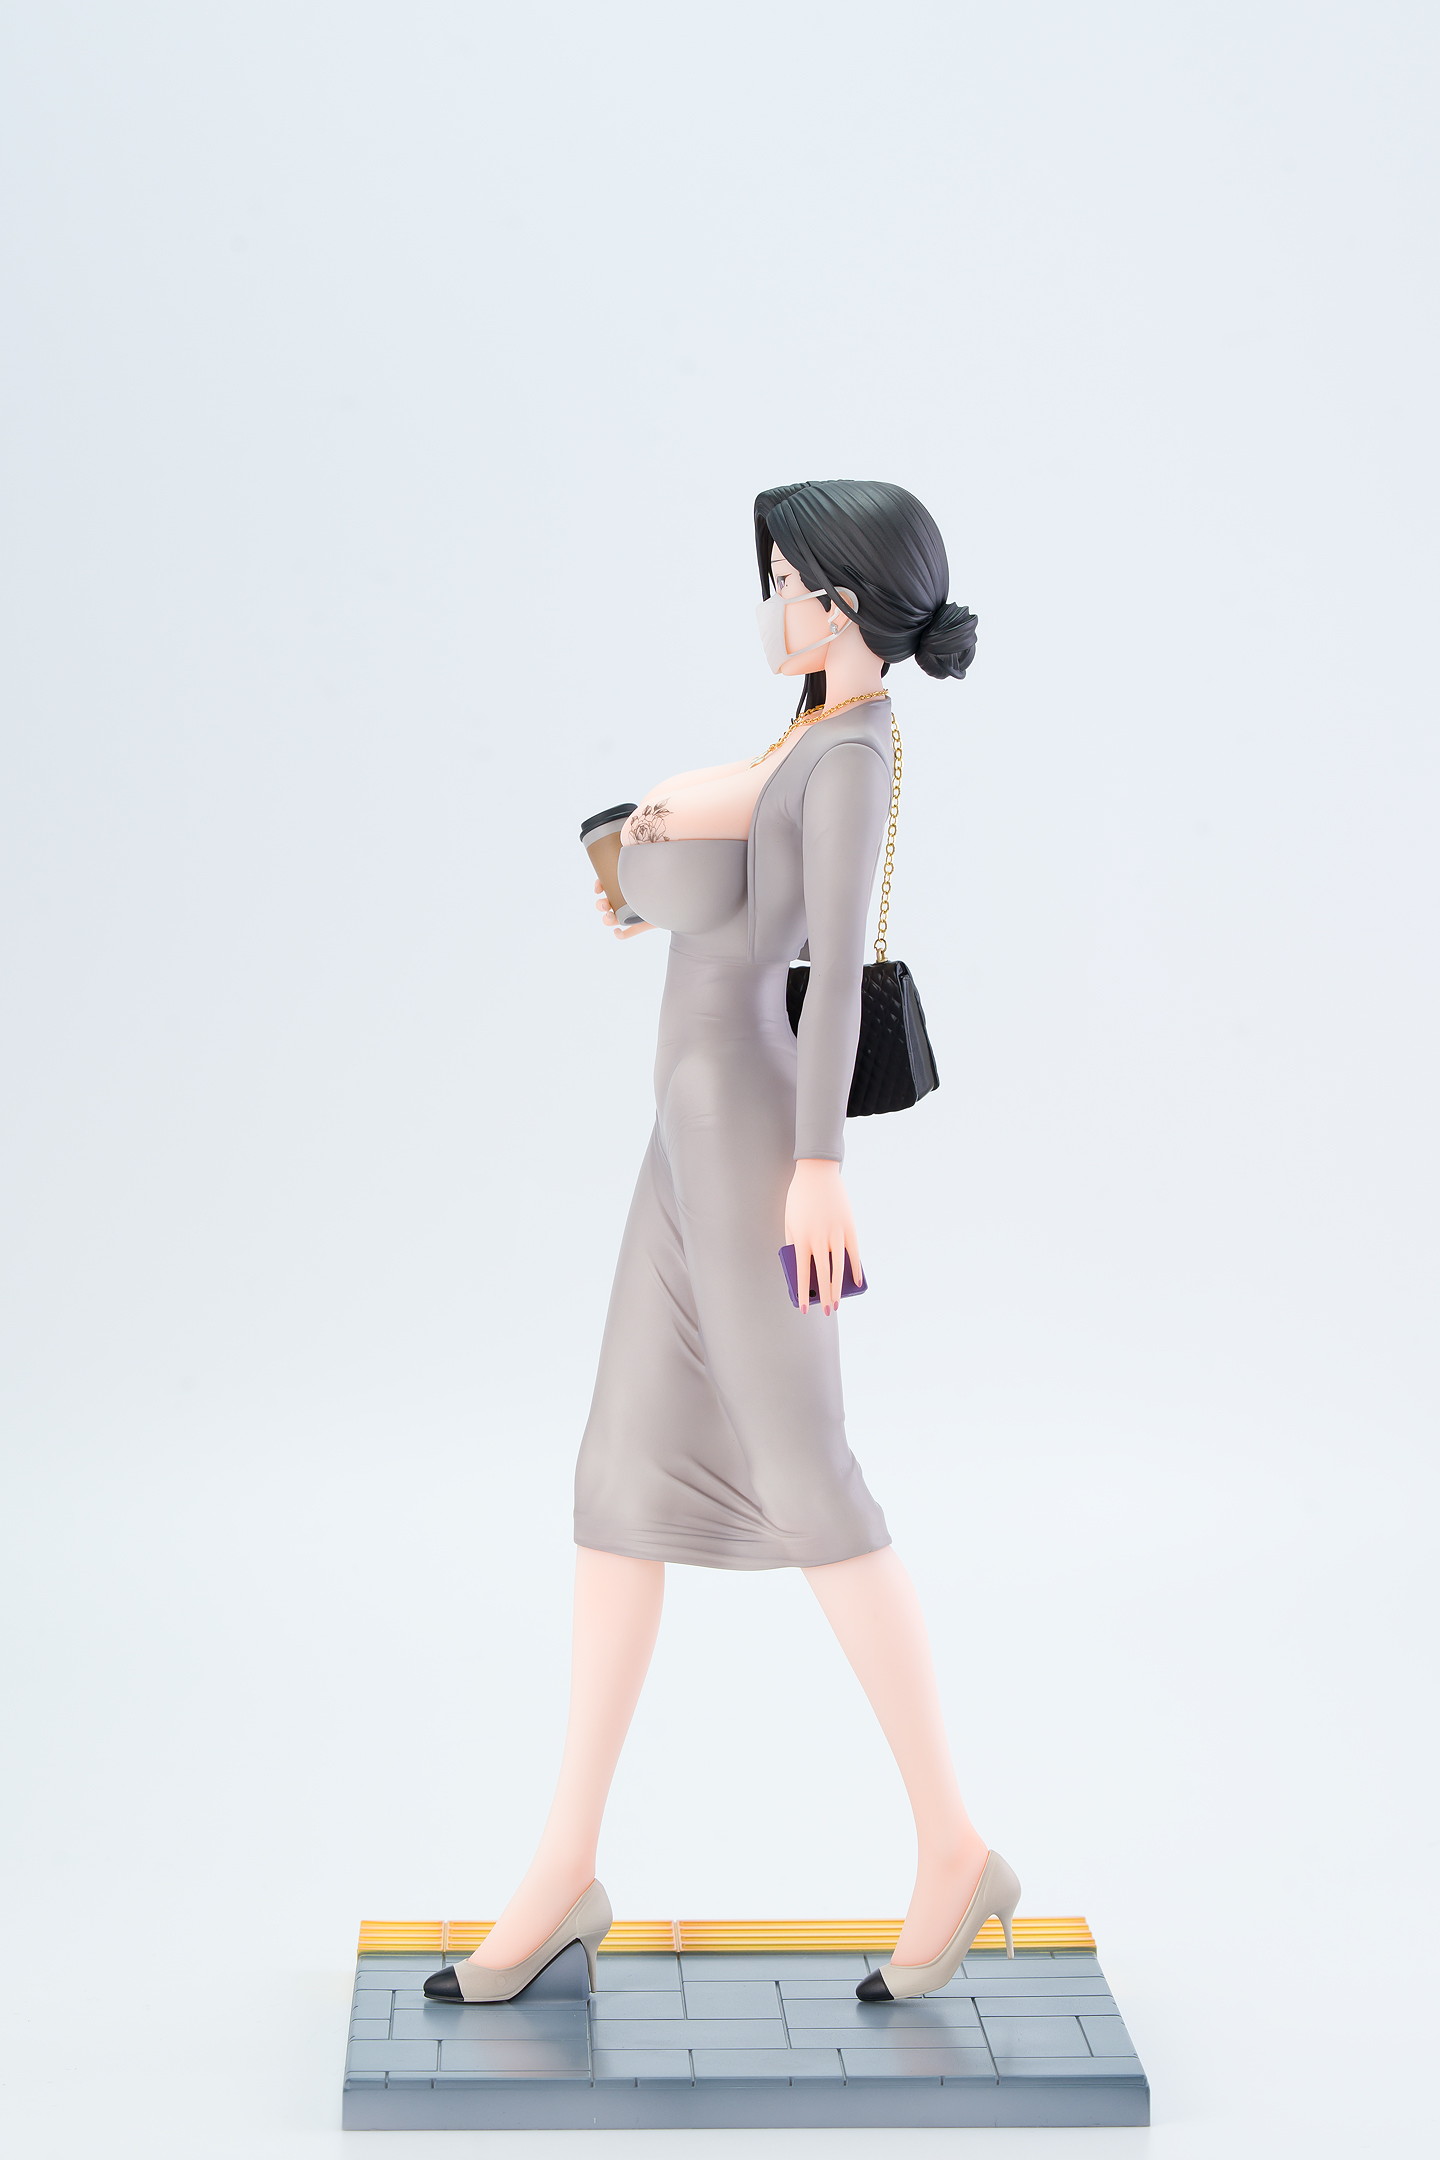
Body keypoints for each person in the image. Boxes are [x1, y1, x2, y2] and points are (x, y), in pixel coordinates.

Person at [426, 480, 1019, 2008]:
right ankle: (564, 1864)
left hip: (753, 1144)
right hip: (681, 1144)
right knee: (619, 1478)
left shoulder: (853, 756)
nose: (772, 605)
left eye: (788, 582)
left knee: (811, 1480)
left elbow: (827, 978)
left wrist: (819, 1165)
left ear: (843, 597)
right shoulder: (798, 736)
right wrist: (652, 861)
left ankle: (953, 1845)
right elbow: (720, 896)